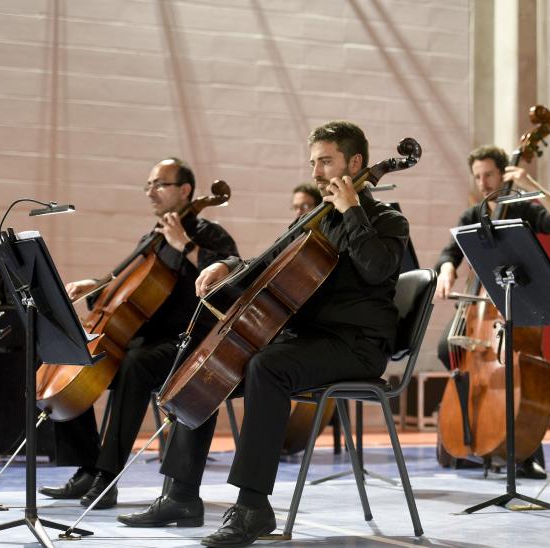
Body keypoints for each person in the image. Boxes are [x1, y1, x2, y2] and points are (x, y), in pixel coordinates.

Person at [117, 121, 409, 548]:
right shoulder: (316, 218)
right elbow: (269, 261)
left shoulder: (387, 220)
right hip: (307, 340)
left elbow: (378, 269)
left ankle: (253, 507)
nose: (316, 172)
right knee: (210, 365)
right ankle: (180, 496)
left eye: (326, 161)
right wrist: (227, 265)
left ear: (355, 163)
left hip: (356, 346)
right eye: (313, 162)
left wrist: (353, 211)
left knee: (266, 366)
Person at [38, 157, 239, 510]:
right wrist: (96, 285)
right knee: (75, 352)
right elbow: (127, 286)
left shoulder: (209, 235)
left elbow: (230, 287)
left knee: (135, 363)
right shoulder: (152, 237)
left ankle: (107, 476)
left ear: (185, 190)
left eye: (159, 184)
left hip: (188, 343)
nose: (151, 192)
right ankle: (86, 467)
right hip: (144, 338)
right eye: (149, 185)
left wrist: (185, 246)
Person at [433, 145, 550, 478]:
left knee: (513, 369)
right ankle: (476, 429)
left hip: (516, 301)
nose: (483, 183)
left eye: (489, 175)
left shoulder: (522, 208)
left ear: (503, 174)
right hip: (480, 308)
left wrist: (532, 186)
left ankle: (525, 451)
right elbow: (449, 254)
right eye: (477, 176)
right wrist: (446, 270)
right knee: (446, 348)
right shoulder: (473, 215)